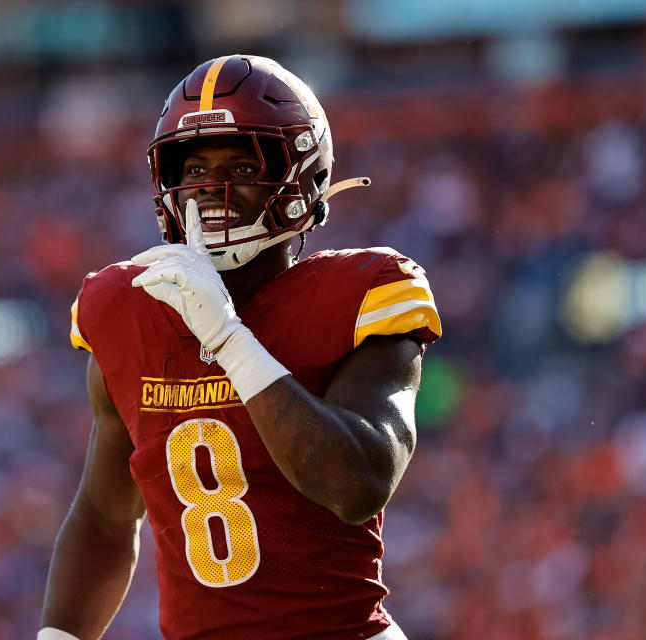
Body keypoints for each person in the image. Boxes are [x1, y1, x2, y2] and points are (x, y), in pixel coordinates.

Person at [39, 55, 441, 640]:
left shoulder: (366, 294)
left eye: (242, 163)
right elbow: (105, 516)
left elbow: (357, 485)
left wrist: (229, 338)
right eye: (194, 165)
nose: (211, 187)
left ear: (301, 175)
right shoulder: (129, 309)